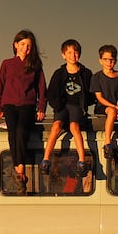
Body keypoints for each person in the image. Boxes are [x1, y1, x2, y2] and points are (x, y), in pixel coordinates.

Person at [0, 29, 46, 193]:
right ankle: (19, 167)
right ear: (16, 45)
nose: (25, 48)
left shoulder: (35, 65)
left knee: (22, 130)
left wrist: (42, 108)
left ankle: (19, 167)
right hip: (8, 104)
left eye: (29, 45)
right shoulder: (7, 64)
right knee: (12, 133)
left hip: (27, 104)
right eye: (22, 44)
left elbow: (42, 89)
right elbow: (0, 86)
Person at [42, 39, 93, 179]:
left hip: (77, 106)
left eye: (76, 52)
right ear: (63, 55)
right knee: (56, 126)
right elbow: (50, 93)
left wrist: (86, 103)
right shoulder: (59, 73)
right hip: (62, 107)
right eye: (69, 52)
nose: (73, 55)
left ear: (80, 54)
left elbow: (93, 92)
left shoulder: (86, 73)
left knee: (74, 127)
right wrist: (57, 106)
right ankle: (46, 159)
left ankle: (82, 160)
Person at [90, 44, 118, 161]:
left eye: (111, 59)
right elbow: (99, 97)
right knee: (111, 112)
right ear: (100, 60)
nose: (109, 62)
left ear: (115, 60)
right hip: (104, 106)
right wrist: (114, 107)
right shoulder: (97, 77)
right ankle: (107, 143)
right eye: (105, 59)